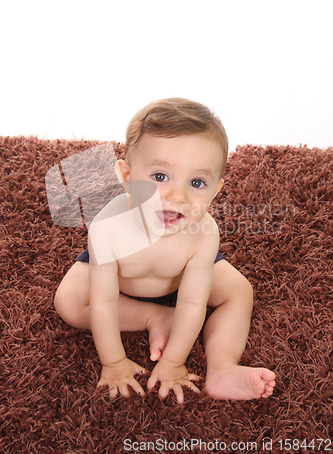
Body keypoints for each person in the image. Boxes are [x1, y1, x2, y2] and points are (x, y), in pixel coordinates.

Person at [54, 98, 276, 404]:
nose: (178, 196)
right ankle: (152, 315)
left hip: (179, 278)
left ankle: (223, 366)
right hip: (119, 282)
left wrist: (174, 361)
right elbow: (104, 301)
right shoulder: (108, 227)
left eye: (197, 182)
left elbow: (192, 300)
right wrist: (114, 362)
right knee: (68, 301)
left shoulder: (203, 232)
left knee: (239, 291)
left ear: (216, 190)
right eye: (160, 177)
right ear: (128, 178)